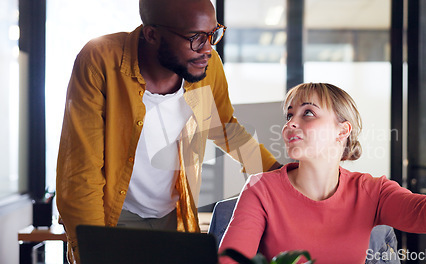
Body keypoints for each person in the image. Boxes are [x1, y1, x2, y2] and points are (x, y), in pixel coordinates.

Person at [55, 0, 280, 263]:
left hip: (175, 214)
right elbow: (81, 170)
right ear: (152, 34)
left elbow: (224, 127)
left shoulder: (206, 65)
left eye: (212, 34)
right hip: (113, 216)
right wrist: (92, 249)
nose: (207, 48)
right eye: (195, 37)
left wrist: (278, 173)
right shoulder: (100, 60)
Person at [218, 83, 426, 264]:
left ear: (342, 130)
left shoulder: (372, 191)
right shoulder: (261, 188)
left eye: (308, 113)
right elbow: (230, 260)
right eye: (289, 116)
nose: (291, 124)